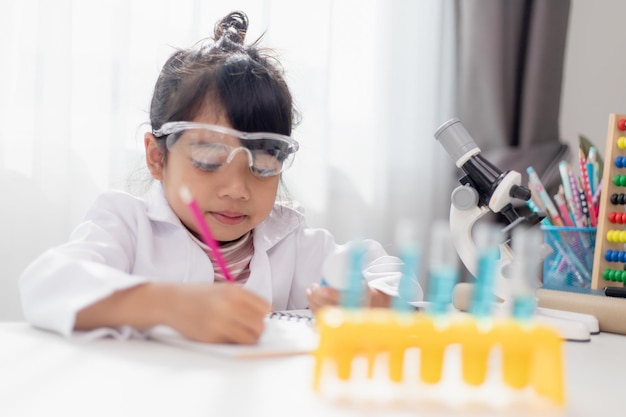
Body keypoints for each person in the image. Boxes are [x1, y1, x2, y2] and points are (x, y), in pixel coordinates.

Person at [19, 11, 423, 345]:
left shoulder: (291, 243)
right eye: (209, 158)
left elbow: (392, 276)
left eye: (263, 161)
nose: (236, 188)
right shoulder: (127, 226)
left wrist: (375, 303)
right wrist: (167, 304)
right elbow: (46, 283)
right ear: (157, 157)